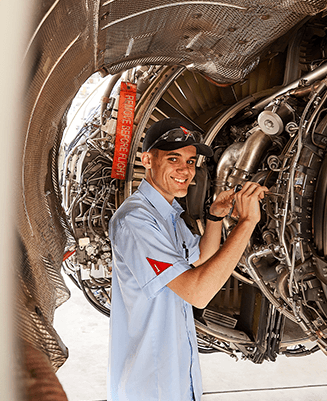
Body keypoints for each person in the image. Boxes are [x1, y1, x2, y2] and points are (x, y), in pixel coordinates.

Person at [108, 117, 268, 401]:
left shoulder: (167, 213)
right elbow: (198, 292)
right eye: (174, 158)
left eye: (191, 161)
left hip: (177, 377)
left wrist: (215, 216)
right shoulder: (136, 221)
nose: (185, 170)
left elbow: (200, 256)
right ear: (147, 160)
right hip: (150, 385)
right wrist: (247, 223)